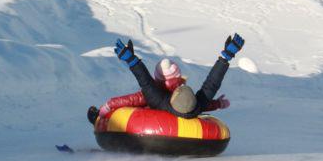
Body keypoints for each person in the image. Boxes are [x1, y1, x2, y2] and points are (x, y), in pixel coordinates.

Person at [87, 34, 244, 123]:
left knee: (135, 107)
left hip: (146, 125)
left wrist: (105, 109)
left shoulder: (158, 100)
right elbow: (212, 85)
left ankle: (97, 120)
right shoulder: (197, 105)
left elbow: (144, 82)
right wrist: (226, 57)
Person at [89, 58, 231, 124]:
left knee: (129, 108)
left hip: (149, 124)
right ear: (179, 77)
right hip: (178, 122)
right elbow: (205, 97)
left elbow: (129, 99)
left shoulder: (155, 97)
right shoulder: (184, 96)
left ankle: (98, 118)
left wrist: (106, 107)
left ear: (157, 78)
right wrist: (218, 103)